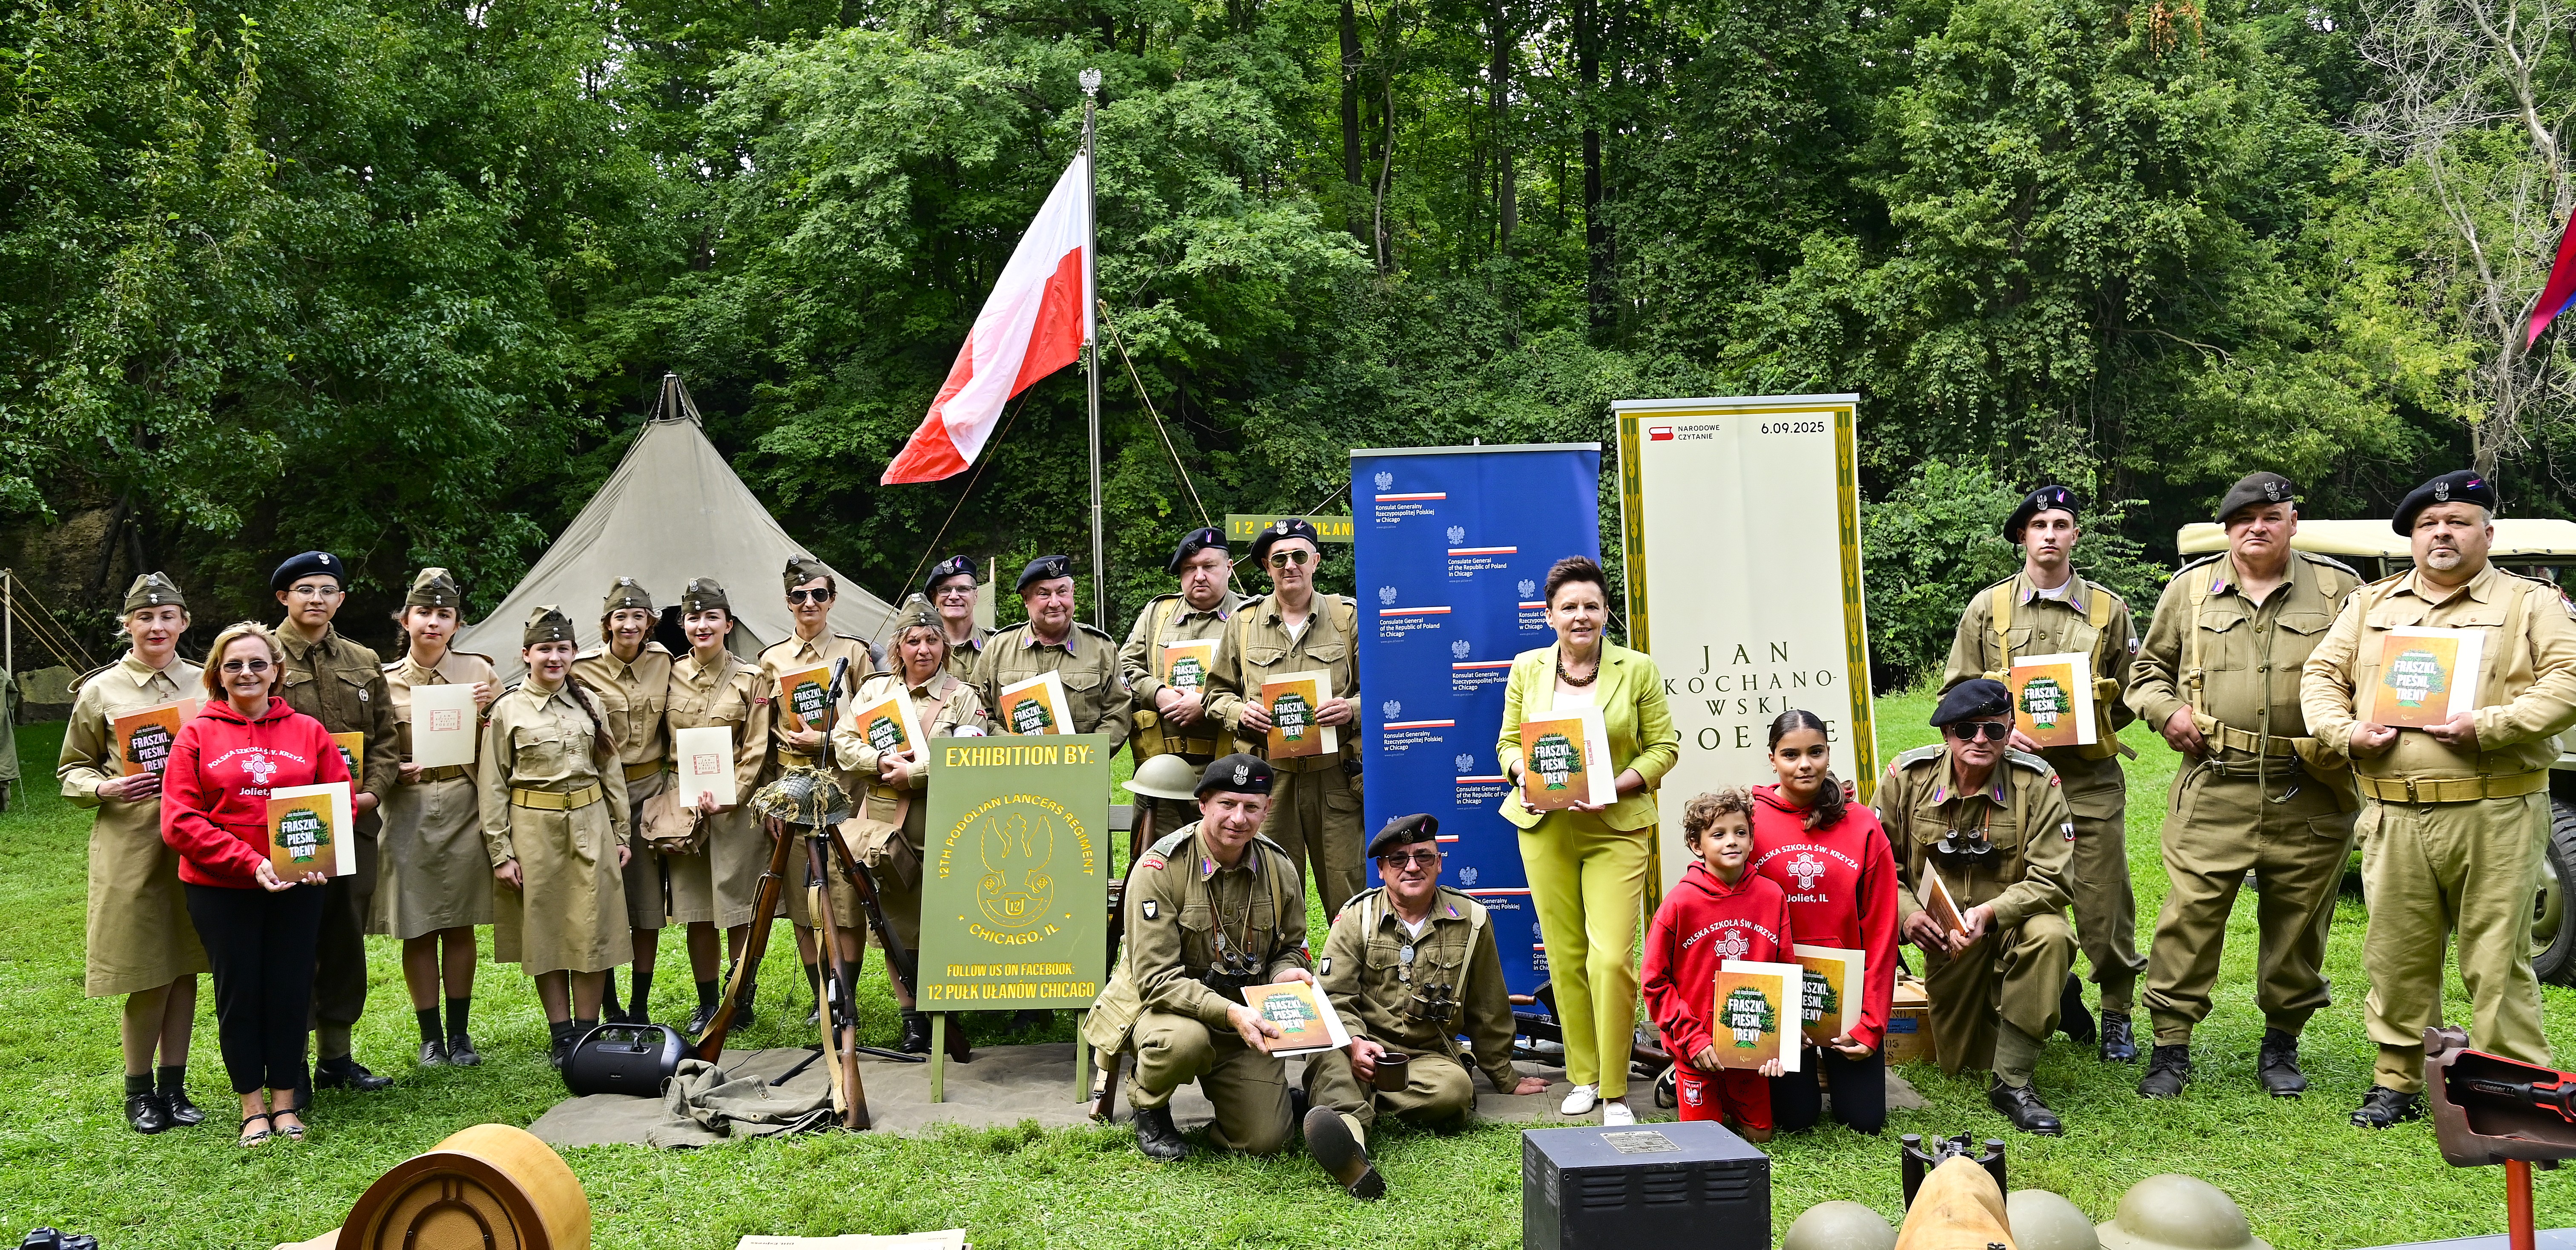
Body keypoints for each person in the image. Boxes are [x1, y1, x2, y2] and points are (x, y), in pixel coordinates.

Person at [2300, 469, 2576, 1129]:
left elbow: (2569, 680)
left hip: (2497, 808)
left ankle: (2512, 1085)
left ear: (2487, 532)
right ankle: (2396, 1079)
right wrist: (2345, 732)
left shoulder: (2530, 603)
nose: (2442, 533)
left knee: (2497, 957)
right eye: (2429, 524)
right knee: (2396, 954)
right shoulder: (2372, 605)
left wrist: (2489, 725)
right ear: (2413, 537)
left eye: (2457, 521)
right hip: (2396, 812)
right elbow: (2320, 676)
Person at [2126, 472, 2362, 1100]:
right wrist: (2166, 710)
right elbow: (2146, 671)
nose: (2257, 527)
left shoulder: (2341, 589)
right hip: (2215, 785)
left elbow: (2374, 670)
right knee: (2190, 919)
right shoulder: (2192, 590)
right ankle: (2171, 1047)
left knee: (2299, 925)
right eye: (2243, 518)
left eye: (2271, 515)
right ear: (2228, 528)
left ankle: (2282, 1042)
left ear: (2292, 521)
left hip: (2311, 785)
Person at [1941, 486, 2145, 1062]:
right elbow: (1957, 690)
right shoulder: (1989, 609)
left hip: (2088, 779)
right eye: (2038, 525)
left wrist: (2089, 726)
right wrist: (2002, 726)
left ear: (2076, 534)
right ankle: (2043, 990)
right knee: (2008, 892)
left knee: (2103, 900)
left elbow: (2133, 688)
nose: (2050, 534)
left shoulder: (2108, 609)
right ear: (2023, 538)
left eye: (2061, 523)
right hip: (2008, 782)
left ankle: (2118, 1014)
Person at [1495, 555, 1679, 1127]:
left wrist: (1613, 785)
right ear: (1549, 614)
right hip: (1545, 827)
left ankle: (1617, 1090)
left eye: (1591, 605)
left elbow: (1664, 747)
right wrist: (1522, 774)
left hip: (1615, 826)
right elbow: (1507, 743)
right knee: (1566, 955)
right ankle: (1583, 1076)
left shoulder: (1637, 669)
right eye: (1568, 606)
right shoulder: (1527, 667)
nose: (1581, 615)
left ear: (1605, 612)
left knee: (1611, 959)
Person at [160, 620, 352, 1146]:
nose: (246, 673)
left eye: (257, 664)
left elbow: (339, 797)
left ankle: (287, 1102)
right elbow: (180, 820)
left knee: (291, 989)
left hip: (298, 882)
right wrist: (249, 862)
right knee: (239, 991)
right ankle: (251, 1107)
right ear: (218, 675)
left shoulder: (308, 731)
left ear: (276, 672)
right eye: (234, 665)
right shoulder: (197, 734)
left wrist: (321, 852)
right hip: (221, 887)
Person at [1300, 814, 1549, 1200]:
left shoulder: (1471, 920)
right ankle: (1351, 1151)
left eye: (1423, 856)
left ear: (1440, 862)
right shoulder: (1355, 919)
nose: (1412, 867)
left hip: (1422, 1057)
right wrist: (1355, 1043)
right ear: (1382, 869)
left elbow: (1489, 1005)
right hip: (1358, 1046)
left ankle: (1339, 1102)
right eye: (1398, 859)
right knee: (1332, 1060)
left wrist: (1505, 1076)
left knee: (1454, 1089)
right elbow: (1333, 998)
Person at [1872, 679, 2079, 1135]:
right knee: (1961, 1063)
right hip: (1947, 935)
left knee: (2052, 935)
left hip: (2010, 923)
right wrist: (1909, 915)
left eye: (1993, 730)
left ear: (2010, 729)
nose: (1980, 741)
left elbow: (2054, 878)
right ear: (1947, 733)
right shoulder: (1907, 778)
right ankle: (2057, 991)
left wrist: (1990, 915)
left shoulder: (2037, 784)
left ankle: (2013, 1084)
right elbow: (1876, 865)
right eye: (1966, 730)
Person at [1082, 754, 1309, 1162]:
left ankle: (1260, 1099)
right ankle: (1150, 1104)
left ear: (1266, 810)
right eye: (1227, 804)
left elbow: (1289, 945)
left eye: (1251, 807)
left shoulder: (1279, 868)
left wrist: (1287, 972)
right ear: (1202, 804)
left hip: (1243, 1020)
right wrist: (1231, 1014)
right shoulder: (1160, 868)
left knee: (1266, 1141)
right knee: (1185, 1043)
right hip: (1170, 1012)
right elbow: (1156, 980)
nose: (1239, 818)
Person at [58, 573, 210, 1133]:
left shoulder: (205, 682)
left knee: (188, 963)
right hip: (134, 840)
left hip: (197, 837)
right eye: (145, 617)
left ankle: (175, 1086)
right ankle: (139, 1090)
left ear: (184, 623)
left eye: (167, 616)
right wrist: (104, 787)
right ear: (128, 624)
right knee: (150, 967)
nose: (156, 626)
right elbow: (71, 768)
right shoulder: (102, 691)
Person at [480, 606, 635, 1067]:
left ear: (573, 653)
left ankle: (588, 1031)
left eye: (562, 648)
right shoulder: (507, 710)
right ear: (526, 654)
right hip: (534, 830)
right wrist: (501, 852)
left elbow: (611, 771)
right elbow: (492, 785)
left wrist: (622, 832)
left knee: (592, 927)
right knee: (545, 931)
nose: (554, 657)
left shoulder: (591, 703)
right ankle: (561, 1033)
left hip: (591, 826)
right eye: (544, 649)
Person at [270, 550, 401, 1094]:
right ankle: (290, 1063)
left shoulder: (362, 658)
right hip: (289, 826)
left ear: (341, 599)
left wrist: (372, 796)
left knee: (345, 936)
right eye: (306, 590)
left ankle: (336, 1059)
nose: (317, 599)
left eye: (327, 590)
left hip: (353, 825)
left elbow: (386, 739)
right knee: (292, 940)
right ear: (284, 597)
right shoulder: (259, 657)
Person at [832, 594, 987, 1053]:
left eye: (933, 641)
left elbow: (971, 758)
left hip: (940, 823)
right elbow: (843, 741)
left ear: (945, 646)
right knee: (892, 922)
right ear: (898, 646)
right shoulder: (875, 694)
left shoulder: (963, 699)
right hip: (881, 825)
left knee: (940, 921)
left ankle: (943, 1008)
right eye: (914, 640)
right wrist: (879, 761)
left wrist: (914, 773)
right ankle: (912, 1019)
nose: (924, 650)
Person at [1201, 520, 1363, 916]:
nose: (1290, 565)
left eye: (1299, 556)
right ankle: (1279, 975)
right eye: (1279, 559)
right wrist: (1240, 713)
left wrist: (1351, 709)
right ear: (1267, 567)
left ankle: (1348, 976)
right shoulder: (1243, 622)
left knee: (1348, 890)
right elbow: (1215, 693)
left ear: (1316, 562)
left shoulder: (1347, 618)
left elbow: (1384, 695)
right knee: (1269, 889)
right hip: (1268, 780)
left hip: (1335, 777)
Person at [1749, 708, 1899, 1134]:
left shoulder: (1863, 825)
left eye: (1815, 752)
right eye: (1791, 754)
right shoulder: (1749, 824)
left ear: (1828, 753)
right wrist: (1767, 1022)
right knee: (1796, 1119)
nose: (1805, 764)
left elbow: (1883, 929)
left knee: (1864, 1121)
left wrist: (1871, 1023)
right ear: (1773, 758)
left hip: (1845, 998)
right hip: (1780, 998)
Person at [374, 569, 498, 1068]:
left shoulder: (480, 673)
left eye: (443, 614)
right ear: (405, 620)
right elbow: (375, 749)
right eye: (423, 613)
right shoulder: (381, 682)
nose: (433, 622)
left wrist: (491, 713)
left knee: (461, 924)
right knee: (419, 925)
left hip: (466, 804)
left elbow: (501, 744)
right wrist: (393, 770)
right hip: (410, 809)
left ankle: (461, 1033)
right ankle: (431, 1037)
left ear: (456, 623)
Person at [759, 555, 876, 1022]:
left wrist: (825, 739)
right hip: (791, 785)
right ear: (788, 602)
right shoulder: (770, 659)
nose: (810, 603)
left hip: (844, 786)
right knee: (802, 893)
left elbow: (874, 722)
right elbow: (761, 735)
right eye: (799, 596)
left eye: (819, 595)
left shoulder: (855, 654)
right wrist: (769, 796)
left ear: (832, 599)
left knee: (847, 894)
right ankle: (818, 997)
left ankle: (845, 995)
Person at [1644, 789, 1794, 1142]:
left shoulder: (1772, 897)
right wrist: (1691, 1039)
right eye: (1719, 834)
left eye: (1741, 833)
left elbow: (1785, 973)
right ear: (1698, 845)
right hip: (1697, 1050)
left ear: (1752, 839)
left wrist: (1779, 1044)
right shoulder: (1680, 902)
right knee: (1705, 1142)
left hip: (1750, 1053)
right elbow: (1654, 980)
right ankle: (1676, 1078)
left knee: (1761, 1137)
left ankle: (1727, 1093)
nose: (1732, 842)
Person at [662, 578, 773, 1035]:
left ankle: (738, 997)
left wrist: (734, 795)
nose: (702, 625)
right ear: (682, 625)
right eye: (693, 617)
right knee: (696, 909)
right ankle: (707, 1002)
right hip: (686, 807)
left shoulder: (751, 679)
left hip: (733, 808)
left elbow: (758, 746)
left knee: (738, 908)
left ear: (728, 624)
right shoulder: (668, 676)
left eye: (711, 617)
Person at [573, 577, 675, 1025]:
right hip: (601, 795)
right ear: (607, 624)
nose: (629, 625)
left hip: (650, 791)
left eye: (638, 617)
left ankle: (638, 1005)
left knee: (648, 905)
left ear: (650, 623)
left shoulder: (664, 663)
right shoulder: (580, 670)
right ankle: (610, 1005)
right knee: (606, 902)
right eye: (621, 617)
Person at [1122, 527, 1246, 833]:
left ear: (1229, 568)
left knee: (1223, 861)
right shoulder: (1157, 614)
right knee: (1156, 864)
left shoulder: (1250, 616)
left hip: (1226, 770)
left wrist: (1208, 704)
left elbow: (1264, 682)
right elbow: (1124, 666)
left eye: (1209, 566)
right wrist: (1158, 693)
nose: (1199, 576)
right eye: (1190, 569)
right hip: (1158, 767)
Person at [979, 555, 1134, 748]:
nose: (1055, 602)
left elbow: (1118, 712)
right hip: (1010, 770)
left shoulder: (1101, 648)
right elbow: (978, 708)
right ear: (1026, 599)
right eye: (1043, 594)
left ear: (1073, 592)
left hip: (1080, 771)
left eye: (1062, 592)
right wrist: (1012, 748)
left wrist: (1084, 756)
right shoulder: (998, 648)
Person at [924, 556, 992, 683]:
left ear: (976, 596)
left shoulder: (996, 645)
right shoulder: (920, 650)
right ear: (934, 598)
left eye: (963, 589)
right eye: (945, 590)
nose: (954, 596)